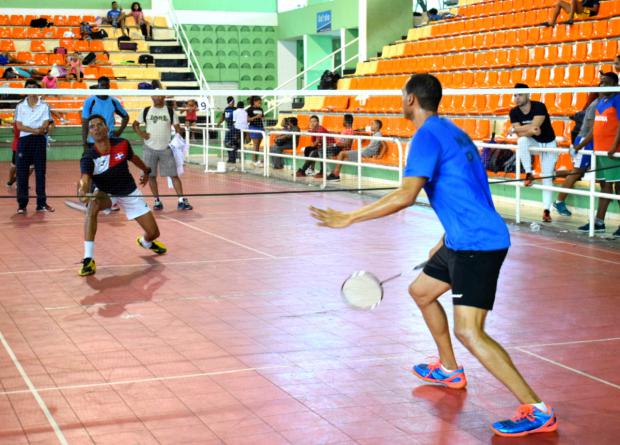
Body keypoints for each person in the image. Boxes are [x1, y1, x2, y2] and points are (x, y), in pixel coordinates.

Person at [310, 73, 557, 438]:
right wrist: (445, 236)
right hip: (461, 239)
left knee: (470, 331)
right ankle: (449, 369)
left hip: (477, 244)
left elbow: (406, 195)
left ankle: (536, 409)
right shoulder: (452, 130)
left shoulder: (425, 137)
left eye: (401, 96)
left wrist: (350, 217)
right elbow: (471, 188)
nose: (400, 101)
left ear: (411, 99)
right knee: (421, 291)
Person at [78, 114, 167, 276]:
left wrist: (146, 170)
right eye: (92, 126)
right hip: (107, 193)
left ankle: (146, 242)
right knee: (93, 205)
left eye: (99, 124)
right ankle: (88, 259)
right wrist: (82, 191)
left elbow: (134, 158)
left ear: (107, 128)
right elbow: (84, 179)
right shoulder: (89, 156)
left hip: (129, 192)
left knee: (154, 233)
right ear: (90, 133)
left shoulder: (122, 144)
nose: (96, 128)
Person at [132, 84, 192, 211]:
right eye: (155, 95)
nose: (158, 97)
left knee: (174, 175)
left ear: (164, 97)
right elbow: (135, 124)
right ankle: (157, 201)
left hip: (166, 148)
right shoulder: (146, 110)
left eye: (160, 95)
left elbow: (177, 128)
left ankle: (181, 200)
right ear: (151, 97)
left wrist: (179, 129)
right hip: (149, 148)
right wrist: (141, 134)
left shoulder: (170, 111)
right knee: (151, 176)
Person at [578, 72, 620, 236]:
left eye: (606, 82)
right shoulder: (601, 102)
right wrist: (580, 145)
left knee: (617, 188)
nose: (602, 85)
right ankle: (599, 222)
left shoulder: (618, 100)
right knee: (605, 187)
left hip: (613, 152)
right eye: (601, 82)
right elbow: (596, 129)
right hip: (599, 151)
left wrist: (614, 146)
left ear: (615, 84)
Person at [508, 83, 558, 222]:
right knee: (522, 141)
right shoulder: (514, 112)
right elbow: (529, 131)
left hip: (548, 143)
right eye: (515, 95)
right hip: (533, 142)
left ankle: (546, 211)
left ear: (528, 95)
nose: (517, 98)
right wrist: (527, 130)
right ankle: (529, 173)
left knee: (547, 178)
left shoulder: (539, 106)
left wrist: (516, 129)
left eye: (520, 95)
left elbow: (534, 127)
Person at [553, 95, 598, 216]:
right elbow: (592, 129)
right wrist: (578, 146)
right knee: (577, 172)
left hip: (589, 141)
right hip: (585, 141)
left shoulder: (600, 103)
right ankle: (559, 201)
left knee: (582, 172)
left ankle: (552, 174)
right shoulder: (595, 105)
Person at [14, 79, 54, 214]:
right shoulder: (20, 106)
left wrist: (40, 130)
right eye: (28, 87)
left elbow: (45, 123)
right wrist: (34, 130)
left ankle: (41, 203)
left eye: (34, 87)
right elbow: (19, 125)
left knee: (40, 172)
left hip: (39, 141)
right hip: (25, 141)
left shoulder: (44, 106)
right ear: (25, 90)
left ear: (38, 89)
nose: (31, 89)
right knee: (22, 173)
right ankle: (22, 204)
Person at [82, 76, 129, 151]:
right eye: (102, 85)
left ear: (109, 86)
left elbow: (126, 117)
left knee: (110, 162)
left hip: (110, 141)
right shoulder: (89, 101)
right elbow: (85, 123)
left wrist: (119, 131)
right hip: (94, 142)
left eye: (106, 85)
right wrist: (84, 143)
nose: (105, 87)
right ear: (98, 86)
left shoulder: (114, 101)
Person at [317, 114, 355, 179]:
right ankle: (330, 172)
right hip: (338, 147)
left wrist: (334, 145)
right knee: (320, 150)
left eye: (343, 120)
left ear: (346, 121)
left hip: (342, 149)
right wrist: (333, 144)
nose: (342, 121)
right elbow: (341, 142)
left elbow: (347, 144)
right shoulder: (345, 130)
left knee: (321, 151)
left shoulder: (350, 131)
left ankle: (329, 172)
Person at [246, 96, 265, 166]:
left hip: (260, 127)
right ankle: (254, 160)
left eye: (261, 102)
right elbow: (248, 119)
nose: (260, 103)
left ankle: (256, 160)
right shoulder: (249, 109)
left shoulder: (261, 109)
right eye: (259, 102)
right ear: (254, 102)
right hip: (253, 127)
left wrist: (263, 118)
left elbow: (263, 117)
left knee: (258, 145)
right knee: (255, 144)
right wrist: (256, 117)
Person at [217, 96, 236, 161]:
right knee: (227, 143)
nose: (234, 102)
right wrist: (218, 124)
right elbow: (223, 117)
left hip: (234, 128)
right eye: (233, 101)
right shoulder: (226, 109)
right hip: (229, 128)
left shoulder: (235, 109)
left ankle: (232, 158)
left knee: (231, 143)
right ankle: (230, 158)